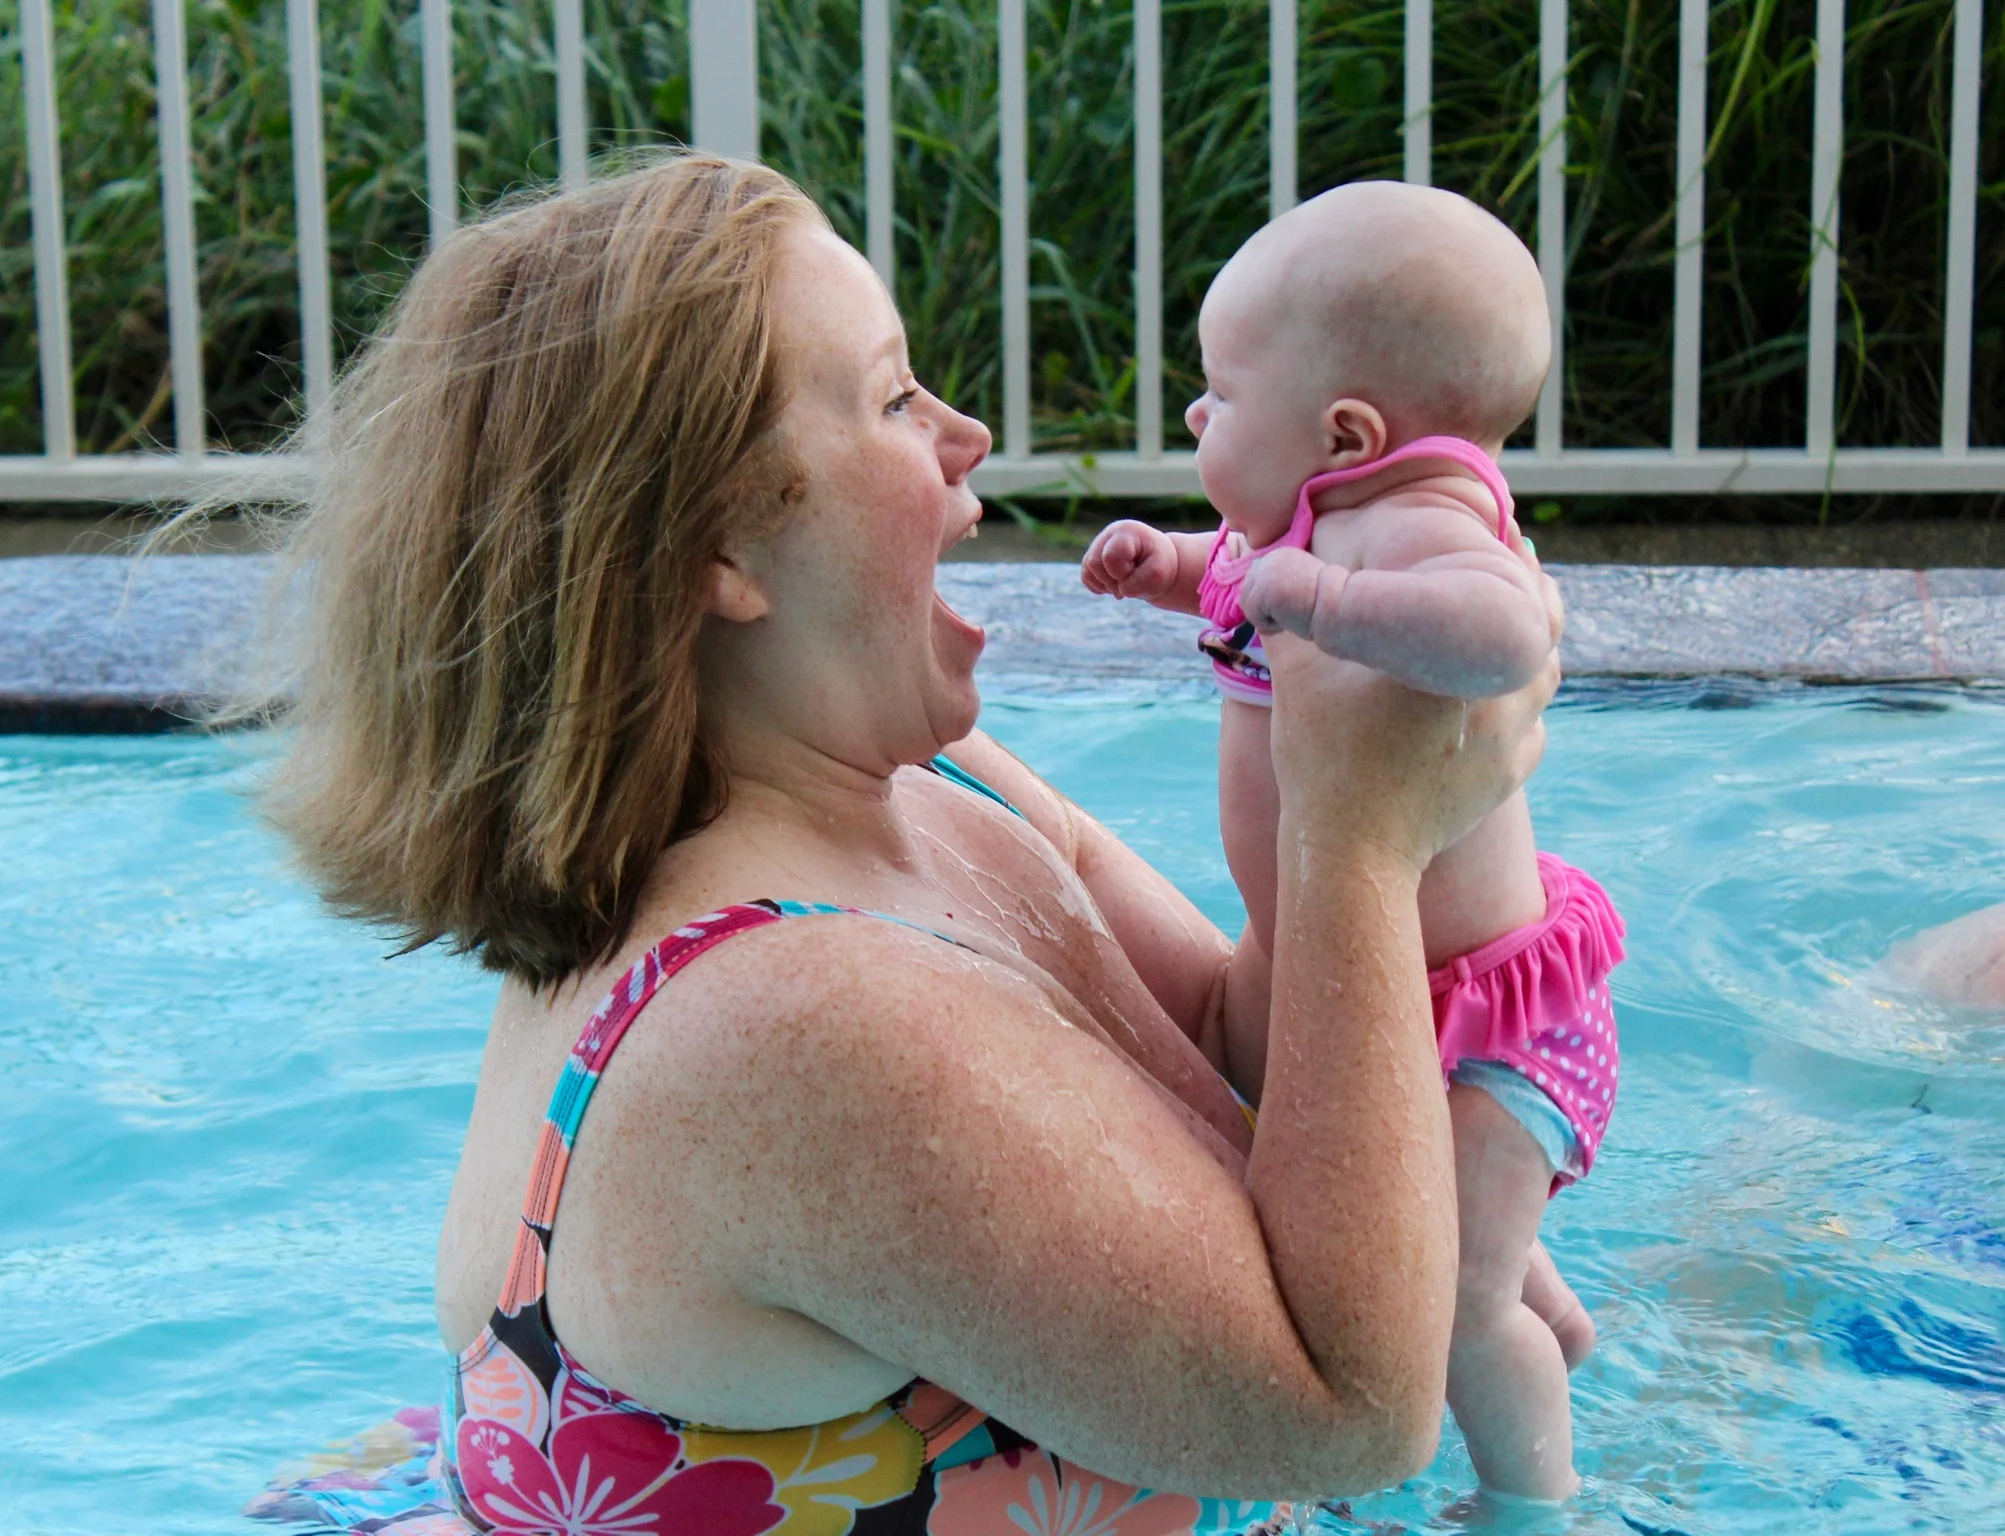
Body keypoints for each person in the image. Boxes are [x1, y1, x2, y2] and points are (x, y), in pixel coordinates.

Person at [239, 156, 1559, 1535]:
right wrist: (1357, 845)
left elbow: (1240, 1036)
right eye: (890, 398)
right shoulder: (789, 1020)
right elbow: (1354, 1415)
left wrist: (1404, 801)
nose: (966, 433)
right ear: (722, 548)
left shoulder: (939, 787)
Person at [1080, 182, 1617, 1501]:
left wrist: (1327, 599)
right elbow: (1240, 578)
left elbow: (1510, 633)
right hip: (1387, 1002)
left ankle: (1536, 1503)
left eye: (1220, 395)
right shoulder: (1304, 525)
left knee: (1450, 1310)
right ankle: (1547, 1313)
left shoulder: (1426, 528)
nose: (1196, 418)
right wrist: (1169, 567)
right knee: (1430, 1227)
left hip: (1486, 1022)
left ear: (1347, 433)